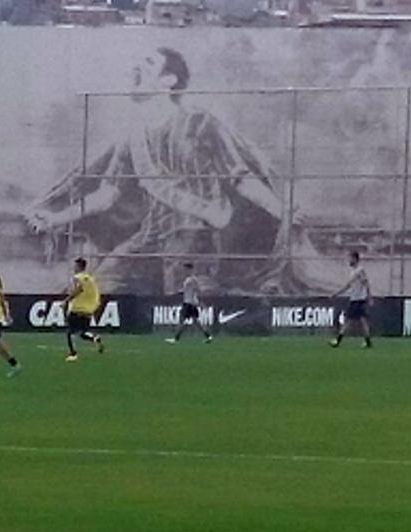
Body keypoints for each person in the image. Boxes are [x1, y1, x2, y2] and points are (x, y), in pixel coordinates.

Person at [25, 48, 314, 296]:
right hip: (148, 238)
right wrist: (56, 218)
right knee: (96, 289)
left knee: (179, 303)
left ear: (169, 81)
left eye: (148, 63)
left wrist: (280, 208)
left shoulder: (201, 123)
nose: (136, 67)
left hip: (194, 234)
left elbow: (240, 178)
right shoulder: (133, 137)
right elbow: (107, 194)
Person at [64, 257, 107, 362]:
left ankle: (73, 354)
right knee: (82, 333)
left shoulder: (77, 277)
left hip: (78, 308)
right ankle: (95, 338)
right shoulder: (90, 279)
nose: (74, 268)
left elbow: (79, 289)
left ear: (78, 266)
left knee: (70, 332)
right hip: (88, 310)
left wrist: (67, 300)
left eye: (75, 266)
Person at [330, 250, 374, 349]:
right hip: (356, 299)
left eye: (350, 258)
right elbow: (348, 286)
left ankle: (337, 340)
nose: (348, 260)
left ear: (355, 259)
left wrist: (369, 297)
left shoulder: (360, 270)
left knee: (348, 321)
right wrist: (336, 293)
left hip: (357, 300)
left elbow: (366, 283)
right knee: (363, 321)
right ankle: (368, 342)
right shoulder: (353, 272)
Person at [168, 261, 214, 344]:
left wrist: (197, 301)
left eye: (186, 269)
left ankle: (176, 338)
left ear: (190, 269)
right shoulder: (189, 280)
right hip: (190, 303)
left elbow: (197, 290)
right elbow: (189, 290)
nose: (184, 271)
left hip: (189, 303)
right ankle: (208, 336)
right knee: (196, 322)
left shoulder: (192, 280)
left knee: (182, 320)